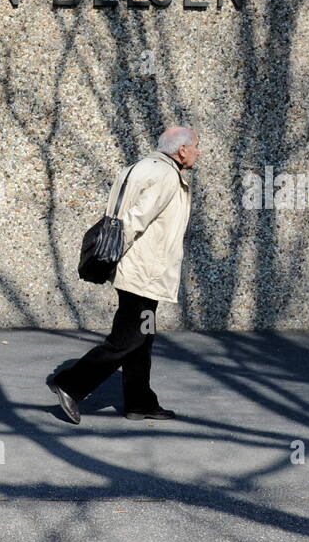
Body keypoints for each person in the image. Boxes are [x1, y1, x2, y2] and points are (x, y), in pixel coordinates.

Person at [47, 126, 200, 425]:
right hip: (144, 273)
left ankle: (140, 401)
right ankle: (70, 384)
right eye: (196, 145)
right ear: (182, 150)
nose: (199, 151)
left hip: (136, 270)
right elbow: (135, 219)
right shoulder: (167, 176)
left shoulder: (137, 167)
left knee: (144, 337)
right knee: (128, 339)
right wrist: (112, 254)